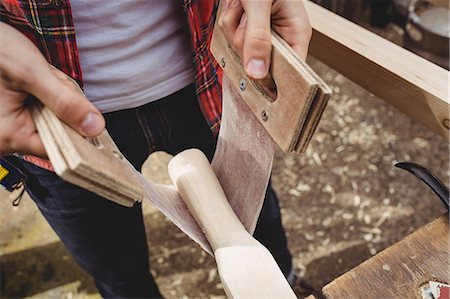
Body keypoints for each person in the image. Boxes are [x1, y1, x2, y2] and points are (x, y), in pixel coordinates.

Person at [0, 0, 312, 297]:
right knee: (116, 266)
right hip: (53, 121)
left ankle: (285, 283)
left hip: (209, 74)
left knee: (261, 225)